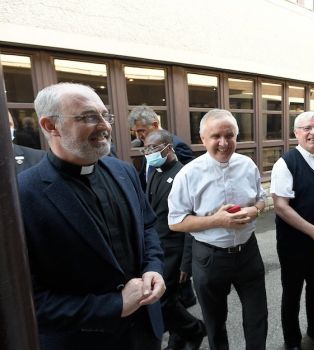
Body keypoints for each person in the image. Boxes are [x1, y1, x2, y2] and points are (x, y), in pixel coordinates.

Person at [17, 82, 166, 350]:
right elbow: (28, 302)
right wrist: (114, 306)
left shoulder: (123, 171)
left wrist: (153, 269)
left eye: (104, 115)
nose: (105, 126)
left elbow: (147, 228)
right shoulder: (23, 195)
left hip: (146, 333)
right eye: (88, 117)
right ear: (50, 126)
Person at [168, 109, 268, 349]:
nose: (224, 143)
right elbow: (175, 221)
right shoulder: (188, 174)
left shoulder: (247, 164)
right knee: (215, 322)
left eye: (229, 135)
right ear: (203, 139)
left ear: (236, 136)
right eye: (216, 136)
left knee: (257, 317)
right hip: (209, 257)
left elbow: (261, 198)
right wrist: (217, 221)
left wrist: (255, 210)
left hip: (248, 253)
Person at [270, 111, 314, 350]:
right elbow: (281, 206)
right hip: (294, 243)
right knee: (291, 293)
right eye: (307, 128)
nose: (313, 132)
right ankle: (292, 341)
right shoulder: (286, 163)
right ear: (296, 133)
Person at [143, 129, 206, 350]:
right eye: (146, 148)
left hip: (175, 249)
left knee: (163, 300)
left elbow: (191, 220)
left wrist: (186, 262)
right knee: (170, 299)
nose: (148, 152)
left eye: (153, 148)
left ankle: (195, 329)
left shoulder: (183, 174)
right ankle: (181, 339)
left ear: (168, 148)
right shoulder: (154, 172)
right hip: (157, 248)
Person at [128, 105, 195, 190]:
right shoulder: (146, 144)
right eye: (135, 132)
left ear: (155, 125)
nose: (138, 136)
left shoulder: (178, 146)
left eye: (141, 131)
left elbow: (192, 178)